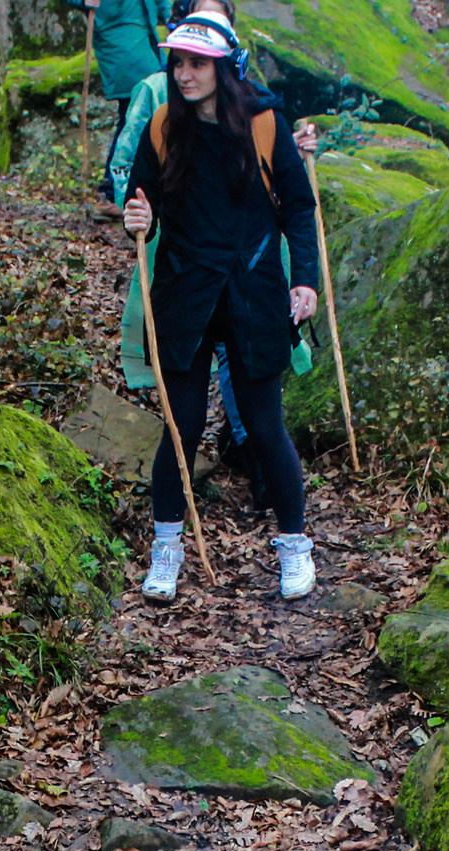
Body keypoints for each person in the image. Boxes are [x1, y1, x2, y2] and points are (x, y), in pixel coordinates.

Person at [120, 16, 321, 602]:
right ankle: (166, 549)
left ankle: (294, 545)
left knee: (264, 426)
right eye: (178, 63)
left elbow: (298, 207)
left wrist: (304, 281)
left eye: (197, 63)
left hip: (253, 290)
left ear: (224, 67)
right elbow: (140, 201)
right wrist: (139, 218)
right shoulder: (164, 125)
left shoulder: (263, 122)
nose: (185, 74)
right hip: (184, 291)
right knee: (180, 428)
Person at [76, 0, 169, 133]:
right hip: (121, 45)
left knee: (150, 115)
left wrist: (172, 19)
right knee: (135, 119)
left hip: (148, 42)